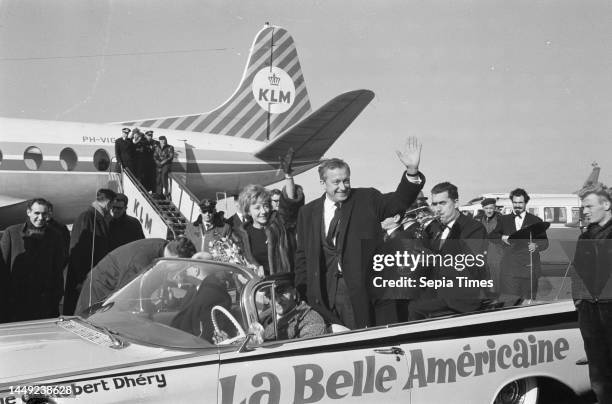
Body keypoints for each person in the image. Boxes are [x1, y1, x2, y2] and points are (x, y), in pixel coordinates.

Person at [295, 137, 425, 330]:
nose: (343, 186)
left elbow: (398, 202)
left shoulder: (367, 198)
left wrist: (411, 172)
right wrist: (302, 289)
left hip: (362, 291)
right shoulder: (308, 212)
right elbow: (302, 255)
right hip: (323, 293)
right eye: (336, 182)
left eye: (346, 180)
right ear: (323, 183)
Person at [408, 182, 488, 320]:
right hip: (438, 290)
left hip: (461, 297)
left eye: (442, 203)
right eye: (434, 204)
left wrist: (433, 258)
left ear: (456, 203)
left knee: (415, 309)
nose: (437, 209)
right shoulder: (438, 228)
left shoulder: (474, 228)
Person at [74, 237, 197, 314]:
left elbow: (145, 291)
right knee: (88, 325)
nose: (182, 269)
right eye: (181, 265)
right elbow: (123, 298)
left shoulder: (164, 249)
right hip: (101, 287)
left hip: (113, 283)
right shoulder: (140, 263)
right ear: (175, 258)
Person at [571, 183, 612, 403]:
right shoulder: (584, 238)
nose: (584, 211)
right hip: (590, 314)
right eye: (582, 206)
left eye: (588, 206)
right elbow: (577, 272)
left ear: (605, 205)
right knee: (598, 370)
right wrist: (579, 302)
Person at [0, 198, 65, 322]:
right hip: (15, 303)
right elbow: (2, 270)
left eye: (44, 214)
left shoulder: (56, 237)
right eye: (37, 213)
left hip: (43, 304)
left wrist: (55, 298)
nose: (40, 218)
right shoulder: (11, 233)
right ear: (28, 212)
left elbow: (57, 271)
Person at [232, 170, 304, 277]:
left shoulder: (279, 222)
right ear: (248, 211)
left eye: (265, 205)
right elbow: (241, 264)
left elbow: (290, 205)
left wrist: (288, 177)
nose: (263, 211)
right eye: (257, 208)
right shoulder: (242, 235)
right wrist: (254, 269)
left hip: (286, 286)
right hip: (260, 289)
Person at [64, 188, 116, 315]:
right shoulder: (87, 217)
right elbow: (77, 250)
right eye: (112, 205)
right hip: (83, 279)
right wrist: (82, 278)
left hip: (91, 277)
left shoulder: (97, 217)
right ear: (108, 203)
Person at [489, 188, 549, 299]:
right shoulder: (503, 220)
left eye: (520, 202)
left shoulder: (536, 221)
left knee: (528, 305)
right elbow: (492, 236)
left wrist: (536, 245)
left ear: (526, 203)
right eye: (515, 202)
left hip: (529, 270)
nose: (517, 205)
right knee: (509, 304)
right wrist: (502, 237)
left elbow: (544, 242)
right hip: (509, 271)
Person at [253, 273, 327, 342]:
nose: (278, 300)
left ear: (294, 293)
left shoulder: (312, 320)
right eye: (271, 295)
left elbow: (307, 353)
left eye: (281, 292)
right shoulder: (262, 319)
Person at [476, 197, 504, 295]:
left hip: (495, 250)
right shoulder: (478, 219)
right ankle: (485, 294)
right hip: (481, 250)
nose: (489, 210)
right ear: (483, 208)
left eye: (491, 208)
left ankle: (495, 295)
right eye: (487, 208)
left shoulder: (500, 219)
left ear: (495, 208)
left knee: (495, 273)